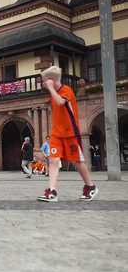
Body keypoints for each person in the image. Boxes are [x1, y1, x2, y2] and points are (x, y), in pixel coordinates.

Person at [37, 66, 98, 202]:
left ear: (51, 80)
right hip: (56, 134)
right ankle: (52, 191)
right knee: (53, 160)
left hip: (70, 133)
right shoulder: (52, 94)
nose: (43, 84)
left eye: (44, 81)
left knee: (77, 162)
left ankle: (90, 186)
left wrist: (51, 89)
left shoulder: (66, 90)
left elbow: (60, 102)